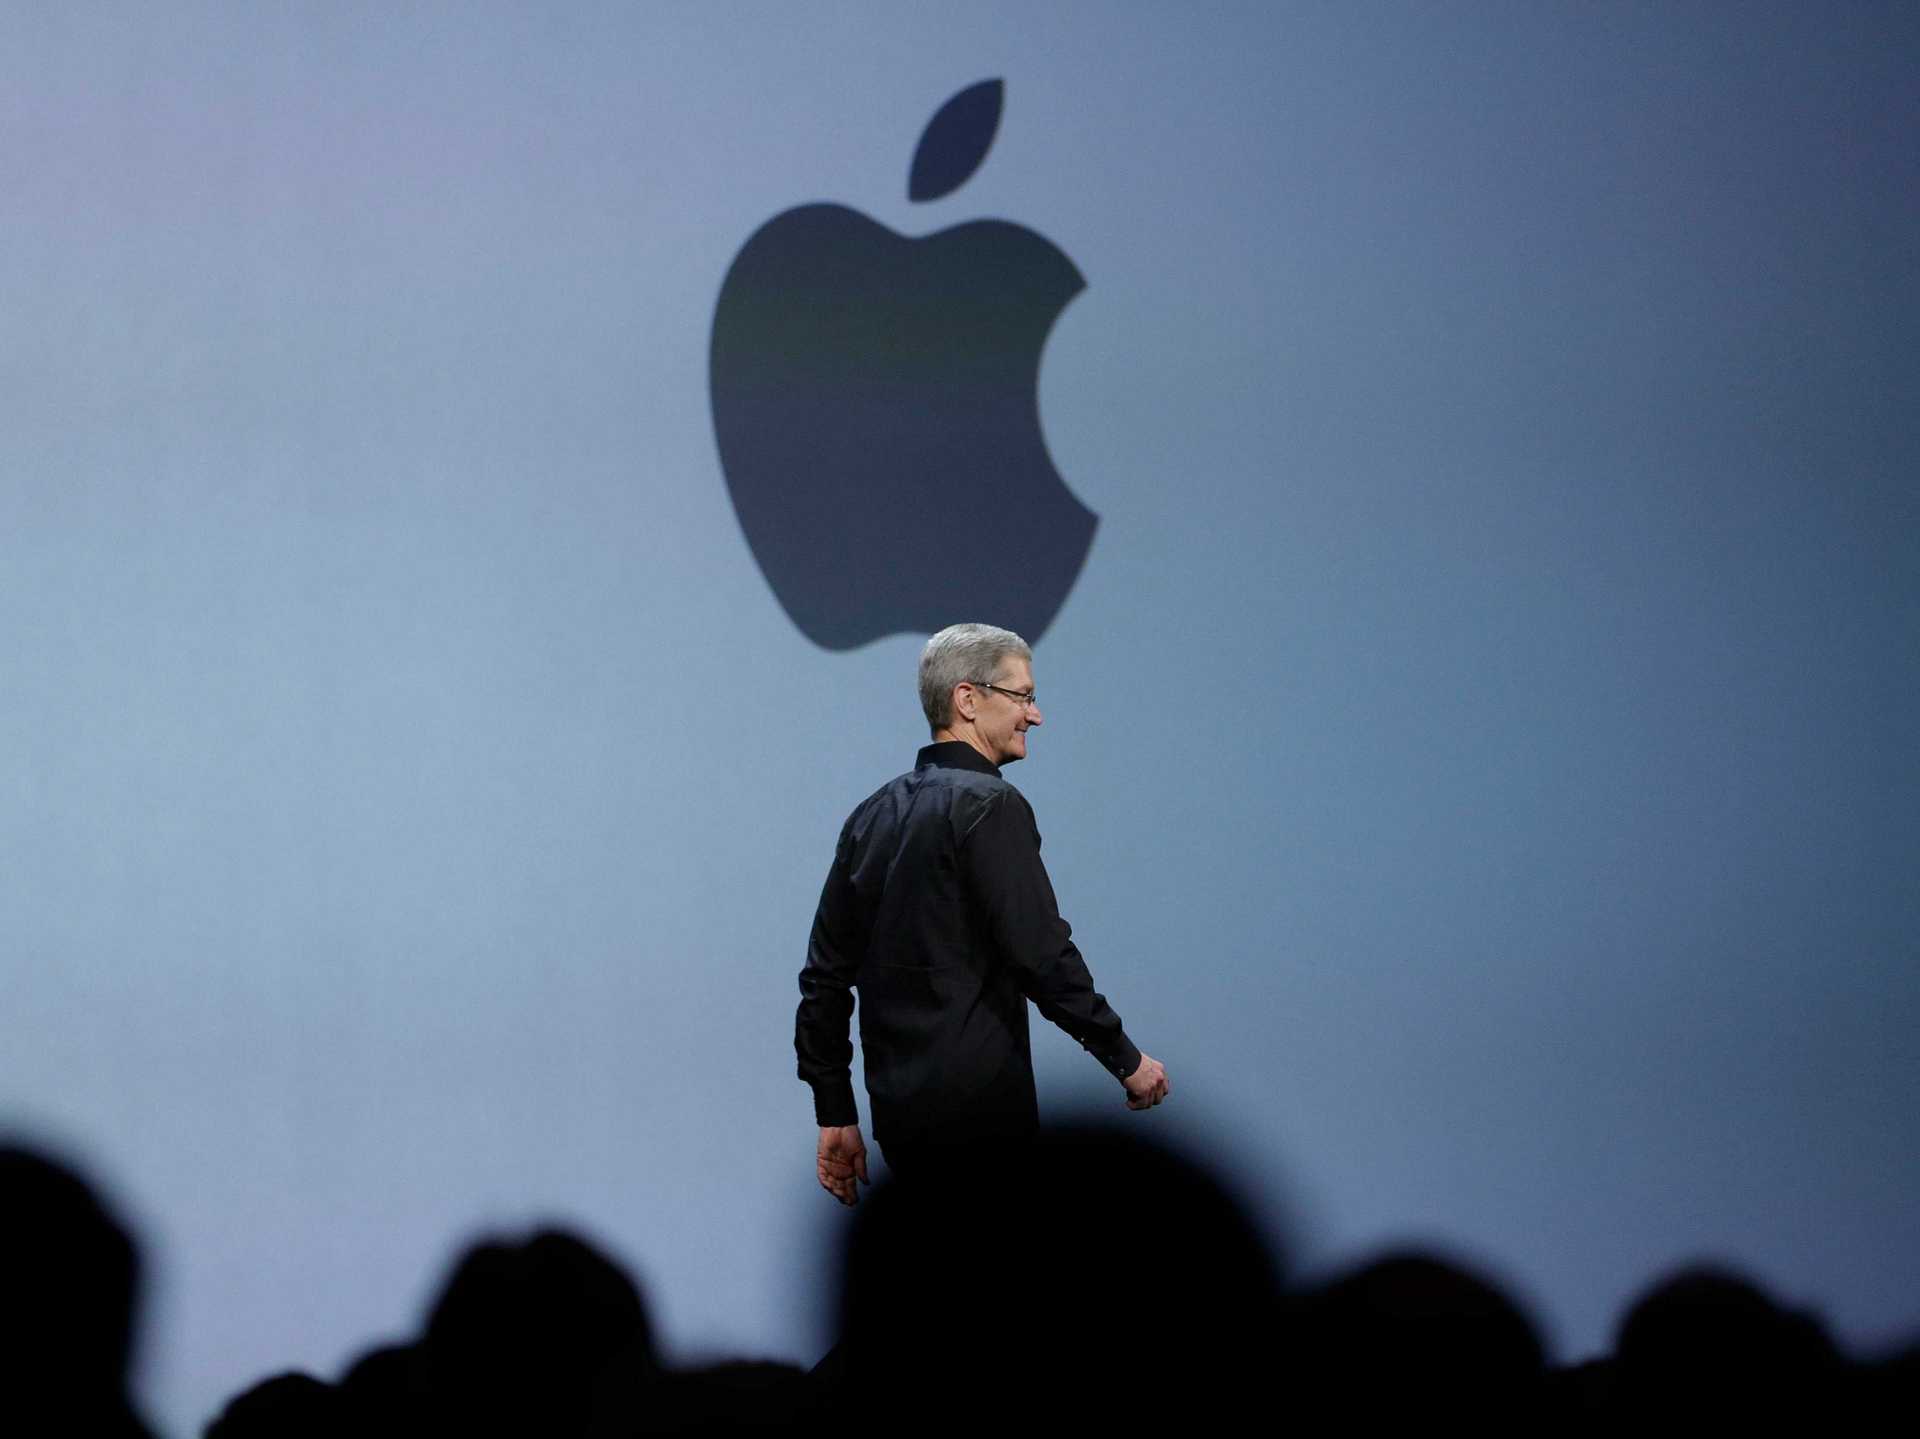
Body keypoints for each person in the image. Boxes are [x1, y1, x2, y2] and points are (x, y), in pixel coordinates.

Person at [794, 622, 1169, 1202]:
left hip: (899, 1122)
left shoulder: (870, 816)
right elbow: (1041, 954)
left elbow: (825, 975)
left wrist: (835, 1110)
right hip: (983, 1123)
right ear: (967, 699)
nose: (1035, 715)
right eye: (1023, 696)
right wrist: (1124, 1058)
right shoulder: (991, 806)